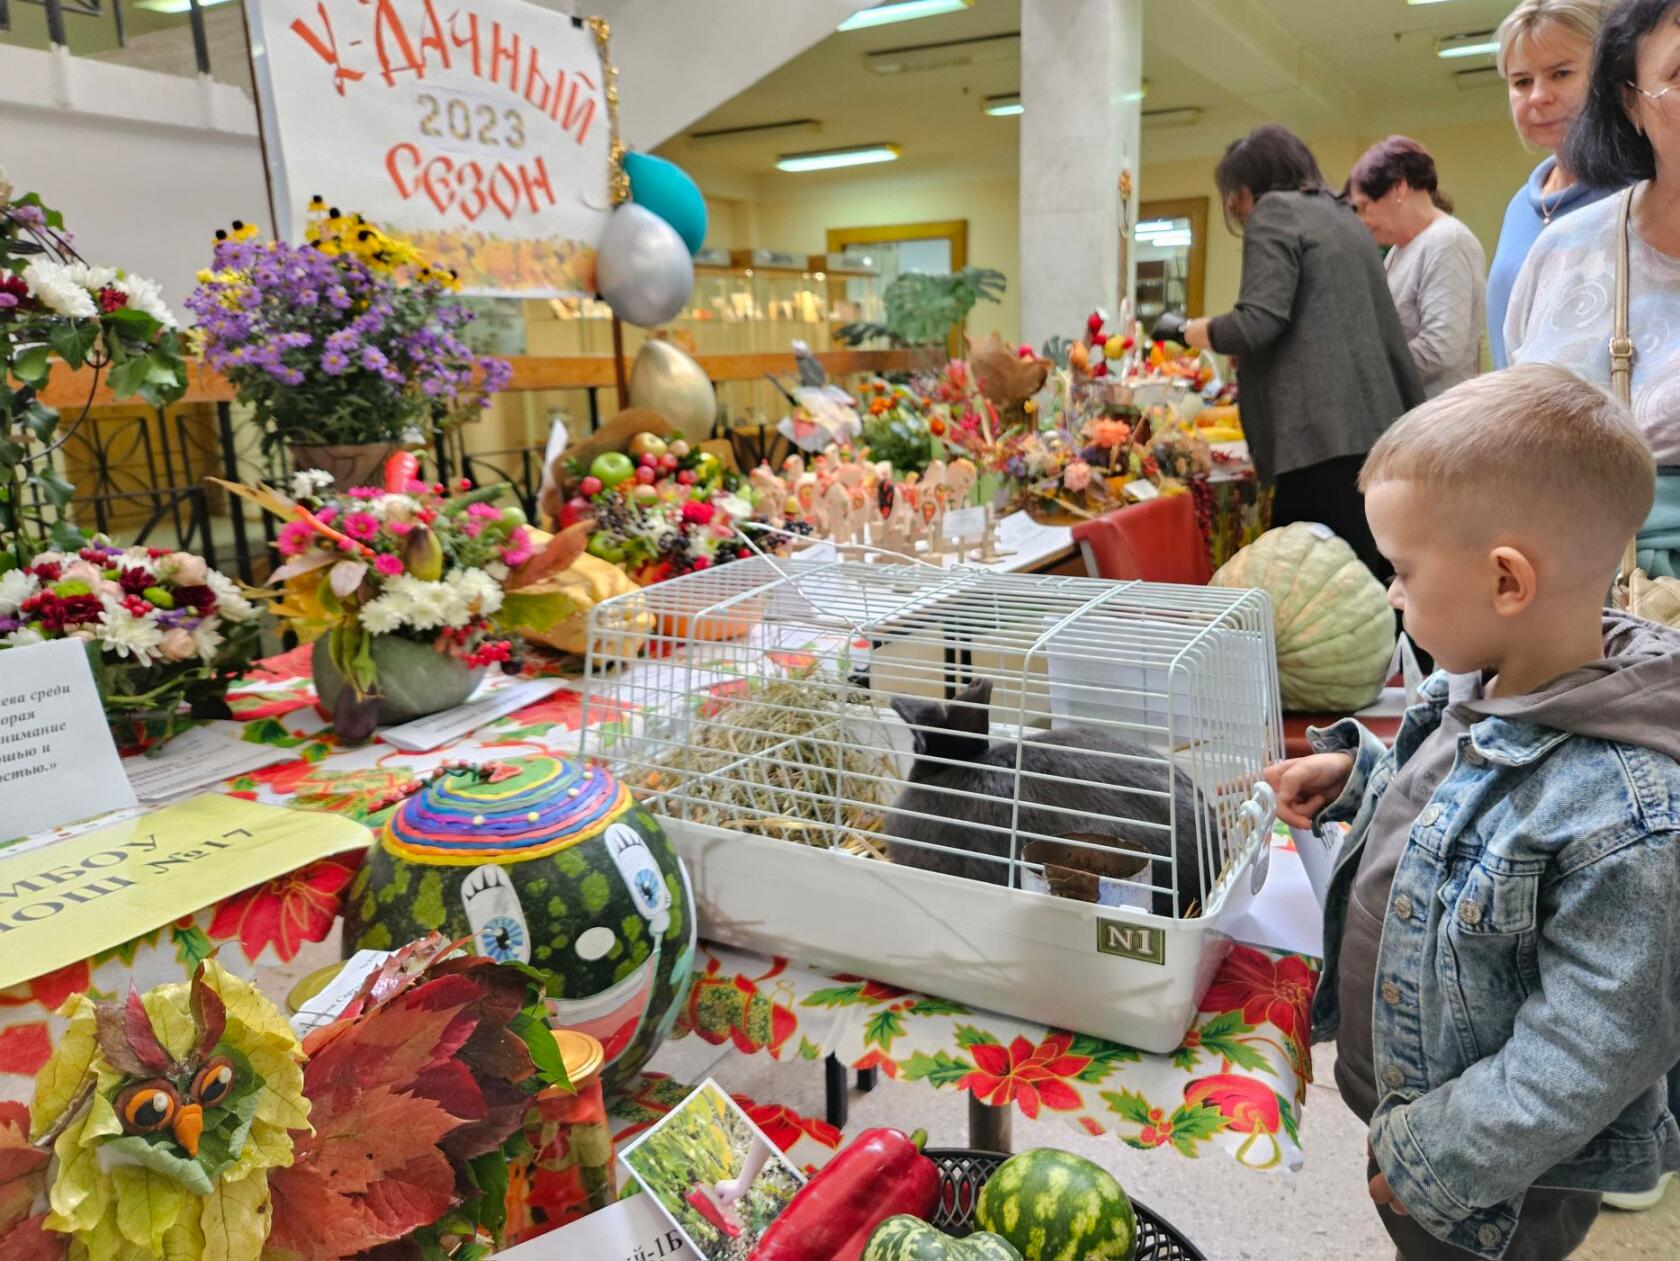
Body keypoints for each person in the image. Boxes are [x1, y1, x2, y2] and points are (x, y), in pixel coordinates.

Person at [1266, 364, 1680, 1261]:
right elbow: (1445, 808)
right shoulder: (1476, 682)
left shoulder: (1628, 811)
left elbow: (1595, 1043)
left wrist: (1436, 1163)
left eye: (1403, 569)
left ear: (1505, 582)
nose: (1389, 592)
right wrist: (1360, 777)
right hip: (1416, 1113)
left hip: (1494, 1179)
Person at [1152, 125, 1422, 582]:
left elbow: (1258, 321)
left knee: (1318, 594)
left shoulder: (1274, 213)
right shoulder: (1341, 216)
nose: (1236, 208)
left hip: (1317, 439)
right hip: (1376, 431)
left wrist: (1183, 329)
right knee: (1372, 584)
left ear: (1247, 187)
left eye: (1235, 196)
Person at [1507, 0, 1680, 582]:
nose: (1538, 95)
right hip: (1583, 606)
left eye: (1560, 73)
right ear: (1630, 99)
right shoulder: (1561, 246)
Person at [1488, 0, 1618, 368]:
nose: (1537, 96)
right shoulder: (1521, 206)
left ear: (1608, 72)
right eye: (1522, 81)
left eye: (1560, 74)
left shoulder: (1639, 191)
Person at [1347, 137, 1488, 398]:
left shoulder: (1448, 241)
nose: (1364, 221)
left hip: (1439, 418)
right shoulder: (1400, 250)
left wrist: (1363, 366)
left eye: (1365, 207)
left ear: (1399, 188)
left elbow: (1441, 348)